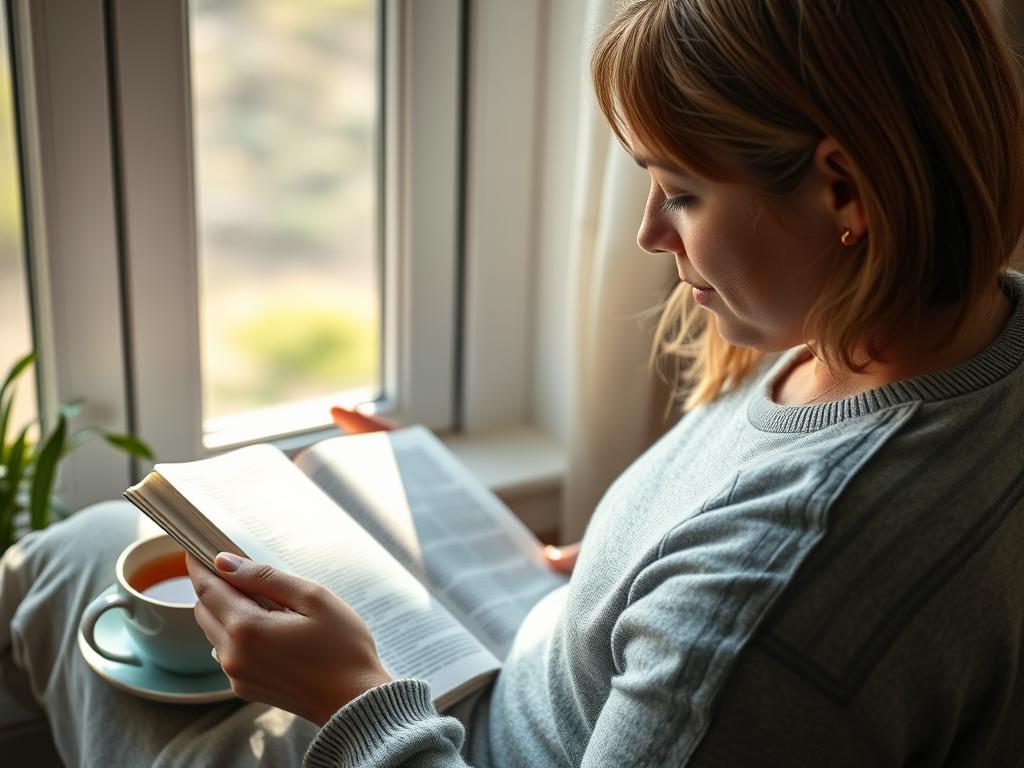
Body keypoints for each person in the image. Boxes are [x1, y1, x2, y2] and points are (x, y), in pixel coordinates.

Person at [2, 0, 1023, 765]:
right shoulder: (941, 333)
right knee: (89, 558)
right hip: (518, 663)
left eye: (680, 192)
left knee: (70, 560)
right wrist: (613, 573)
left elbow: (750, 614)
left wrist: (353, 697)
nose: (649, 235)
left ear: (844, 189)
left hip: (440, 739)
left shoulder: (771, 594)